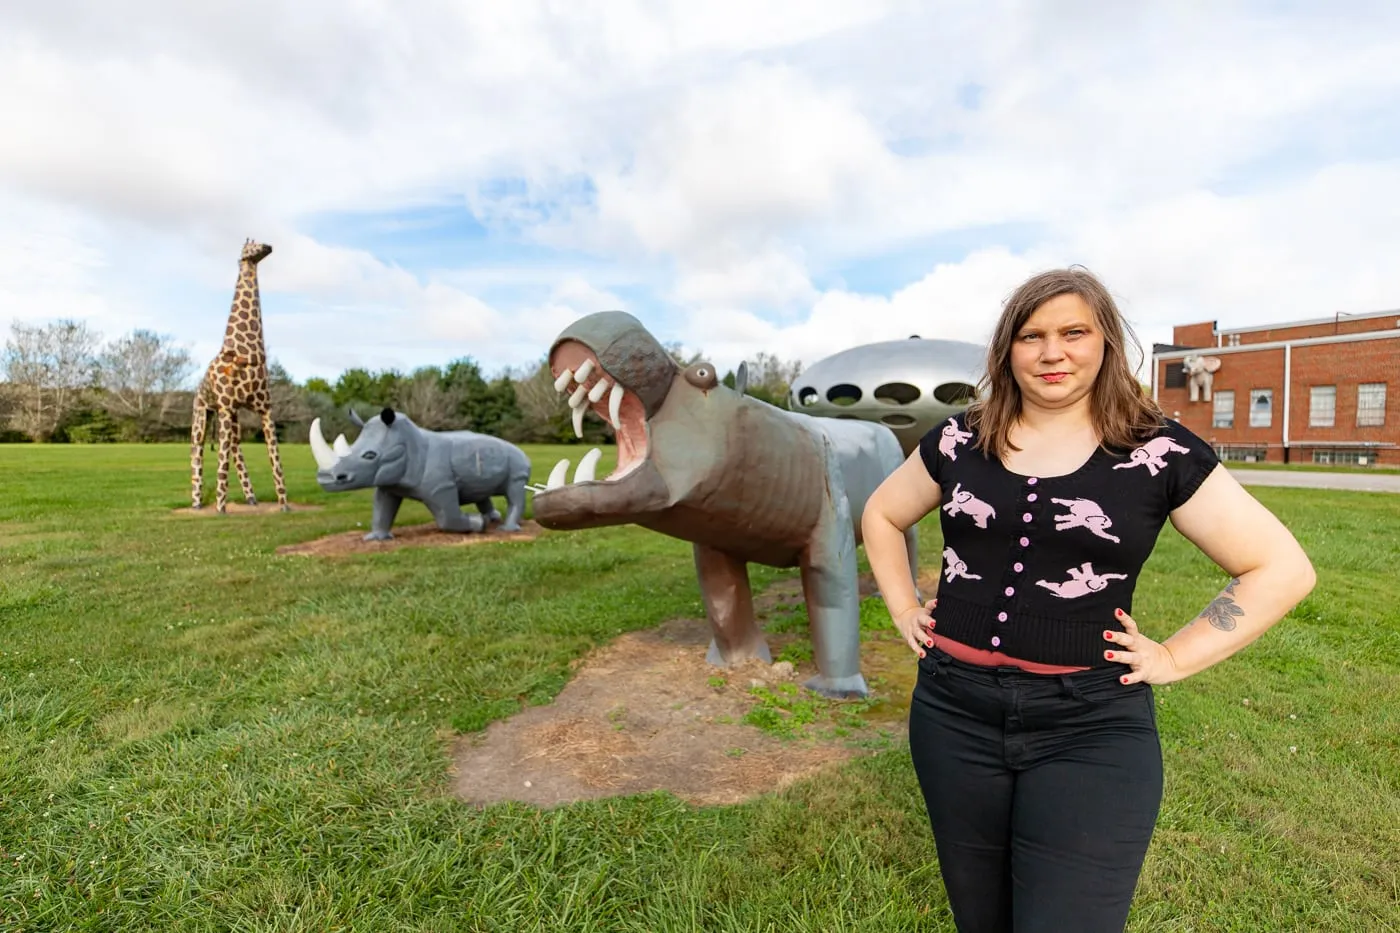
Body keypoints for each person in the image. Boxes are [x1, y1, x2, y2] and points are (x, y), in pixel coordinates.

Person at [859, 267, 1316, 933]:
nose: (1052, 352)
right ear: (1006, 349)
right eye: (1031, 335)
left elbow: (1280, 567)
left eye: (1074, 332)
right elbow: (881, 514)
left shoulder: (1156, 450)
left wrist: (1174, 656)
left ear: (1105, 342)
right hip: (952, 716)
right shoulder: (963, 437)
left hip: (1090, 728)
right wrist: (903, 606)